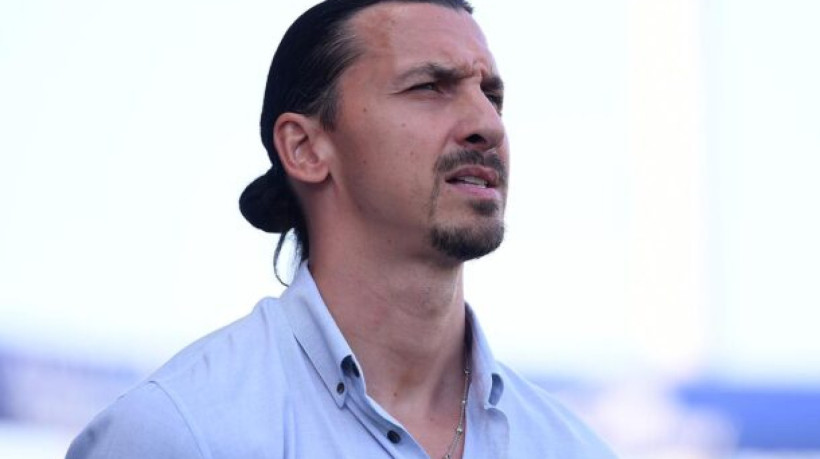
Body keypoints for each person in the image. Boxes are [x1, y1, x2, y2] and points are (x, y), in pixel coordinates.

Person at [67, 0, 617, 457]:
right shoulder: (182, 433)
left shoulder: (570, 447)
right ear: (305, 149)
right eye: (430, 86)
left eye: (491, 95)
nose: (487, 125)